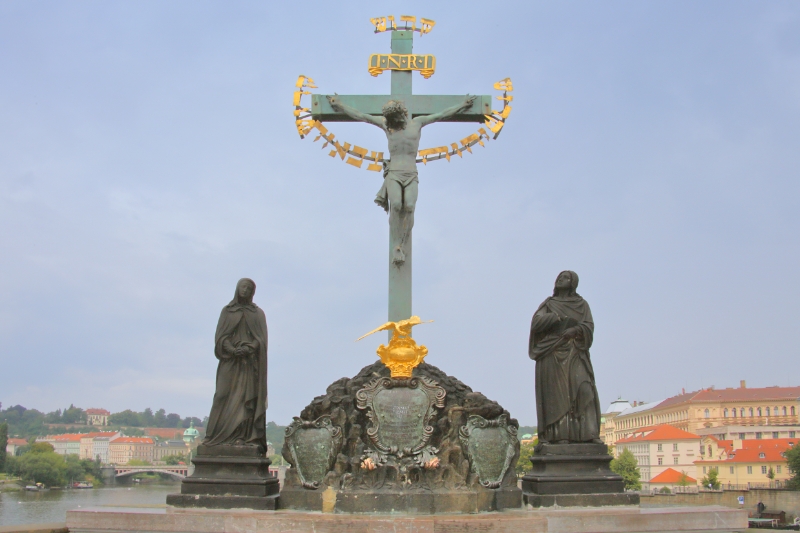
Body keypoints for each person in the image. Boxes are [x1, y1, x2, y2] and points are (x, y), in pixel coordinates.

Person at [327, 95, 476, 265]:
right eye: (390, 120)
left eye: (395, 119)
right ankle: (396, 244)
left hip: (411, 173)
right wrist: (339, 105)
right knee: (396, 205)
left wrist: (462, 105)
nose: (392, 123)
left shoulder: (418, 123)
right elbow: (361, 116)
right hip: (394, 172)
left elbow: (441, 114)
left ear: (402, 114)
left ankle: (402, 243)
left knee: (410, 207)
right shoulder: (387, 125)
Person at [529, 271, 602, 444]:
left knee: (585, 389)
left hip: (576, 351)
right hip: (553, 353)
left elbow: (589, 326)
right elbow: (536, 323)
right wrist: (555, 317)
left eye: (566, 278)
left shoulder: (582, 304)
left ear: (573, 283)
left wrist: (576, 330)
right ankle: (561, 436)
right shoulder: (549, 304)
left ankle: (590, 434)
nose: (561, 279)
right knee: (558, 397)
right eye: (559, 277)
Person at [203, 278, 268, 450]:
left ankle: (242, 436)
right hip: (230, 361)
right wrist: (232, 350)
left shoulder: (257, 314)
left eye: (249, 288)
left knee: (245, 400)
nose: (245, 290)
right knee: (221, 395)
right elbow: (220, 337)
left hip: (248, 364)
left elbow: (261, 340)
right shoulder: (227, 311)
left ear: (253, 292)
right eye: (243, 287)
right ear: (237, 289)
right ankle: (213, 437)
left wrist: (250, 348)